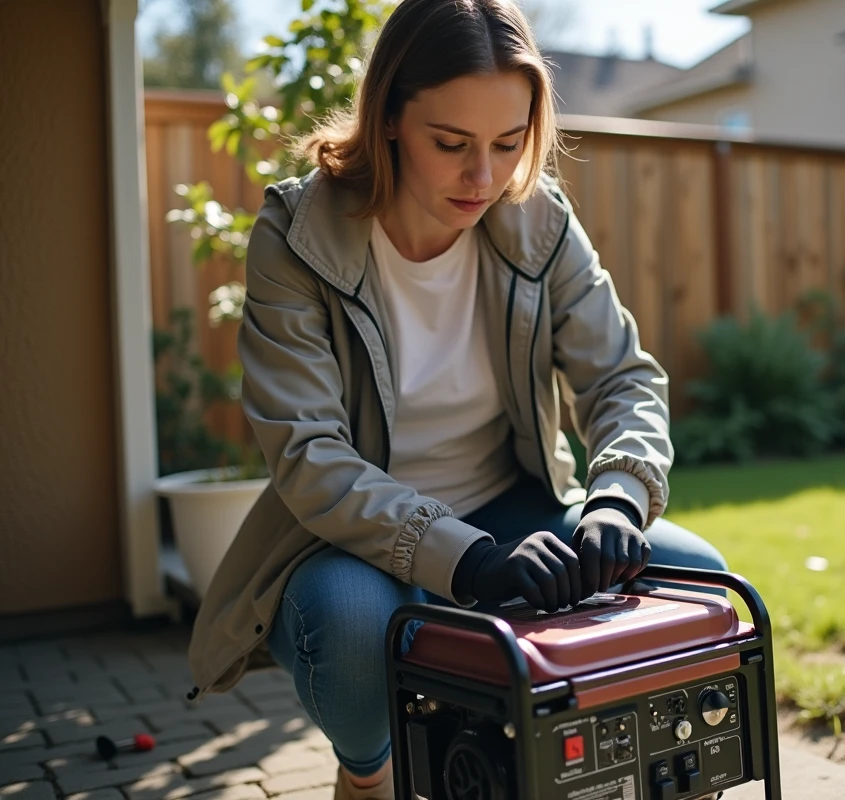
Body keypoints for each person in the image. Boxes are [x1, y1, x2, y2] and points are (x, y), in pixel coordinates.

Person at [185, 0, 728, 797]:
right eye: (452, 144)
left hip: (512, 509)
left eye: (509, 144)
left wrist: (616, 497)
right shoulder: (297, 236)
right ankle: (368, 775)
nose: (485, 178)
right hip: (350, 538)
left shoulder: (539, 221)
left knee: (697, 579)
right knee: (348, 622)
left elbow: (621, 378)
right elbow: (309, 455)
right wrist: (466, 560)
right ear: (391, 118)